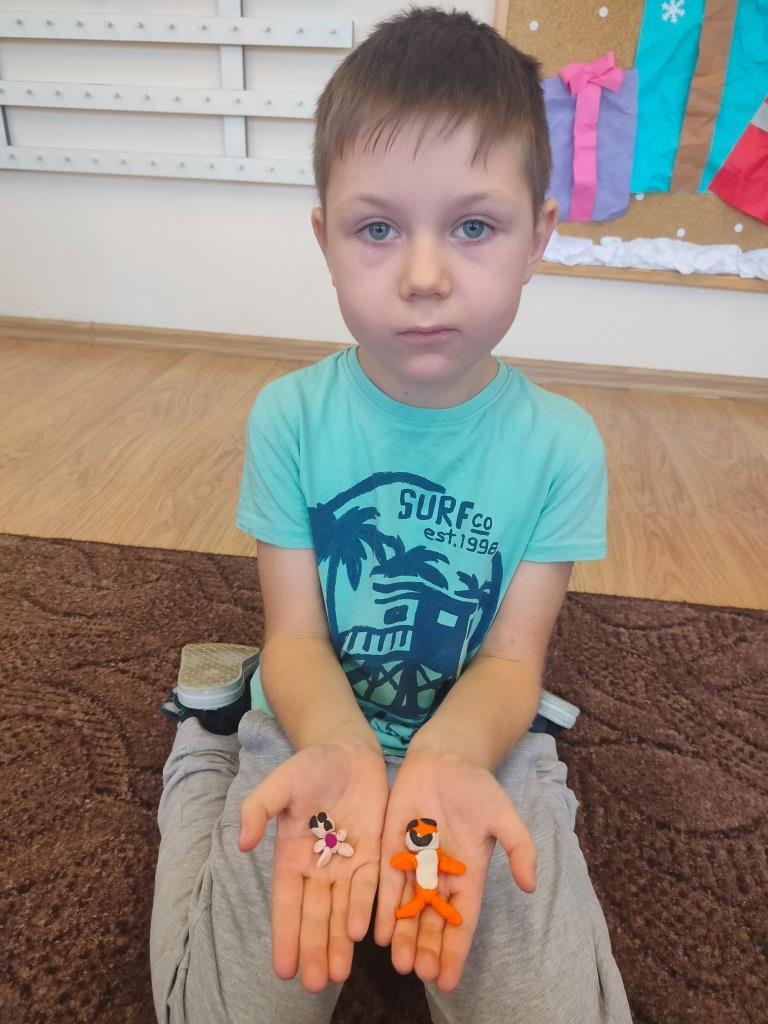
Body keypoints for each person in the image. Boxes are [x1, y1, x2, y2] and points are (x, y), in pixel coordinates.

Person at [149, 7, 634, 1023]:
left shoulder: (562, 447)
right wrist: (335, 747)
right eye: (377, 229)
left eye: (473, 226)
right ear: (325, 241)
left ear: (539, 236)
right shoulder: (289, 417)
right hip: (315, 732)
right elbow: (296, 638)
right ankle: (206, 746)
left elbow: (511, 661)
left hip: (475, 747)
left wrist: (448, 758)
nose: (423, 276)